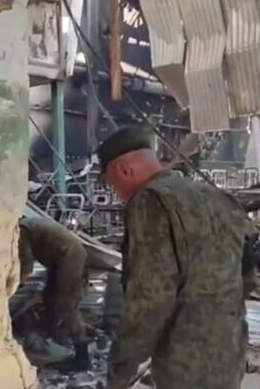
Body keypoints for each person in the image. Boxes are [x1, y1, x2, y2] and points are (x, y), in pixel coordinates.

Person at [97, 126, 250, 389]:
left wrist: (121, 368)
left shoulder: (150, 201)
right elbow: (249, 275)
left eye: (112, 185)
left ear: (125, 170)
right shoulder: (219, 197)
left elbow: (150, 298)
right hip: (230, 350)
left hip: (185, 363)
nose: (117, 195)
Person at [17, 217, 89, 369]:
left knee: (67, 307)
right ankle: (51, 337)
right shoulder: (28, 224)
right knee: (49, 297)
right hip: (61, 258)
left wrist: (16, 286)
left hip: (68, 257)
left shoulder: (21, 231)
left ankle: (83, 357)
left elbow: (26, 266)